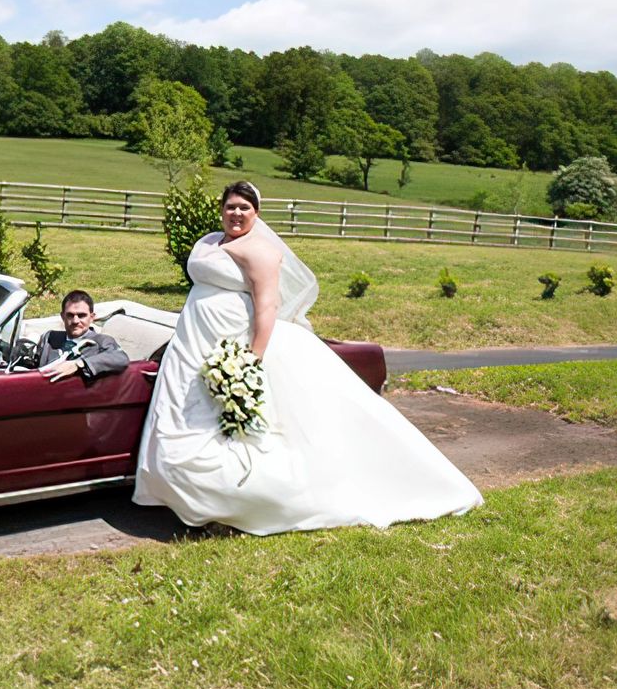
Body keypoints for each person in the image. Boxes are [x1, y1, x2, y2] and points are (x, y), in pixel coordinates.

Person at [133, 181, 482, 534]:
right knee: (180, 412)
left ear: (257, 213)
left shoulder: (262, 251)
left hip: (232, 345)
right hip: (192, 342)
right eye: (230, 206)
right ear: (221, 208)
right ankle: (186, 497)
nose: (236, 213)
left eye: (245, 208)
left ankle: (237, 505)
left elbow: (268, 305)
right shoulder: (208, 242)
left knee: (234, 427)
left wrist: (251, 359)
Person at [38, 290, 130, 383]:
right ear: (62, 317)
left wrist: (79, 365)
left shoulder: (102, 341)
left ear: (91, 317)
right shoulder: (50, 337)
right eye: (70, 315)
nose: (75, 321)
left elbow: (120, 358)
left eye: (81, 315)